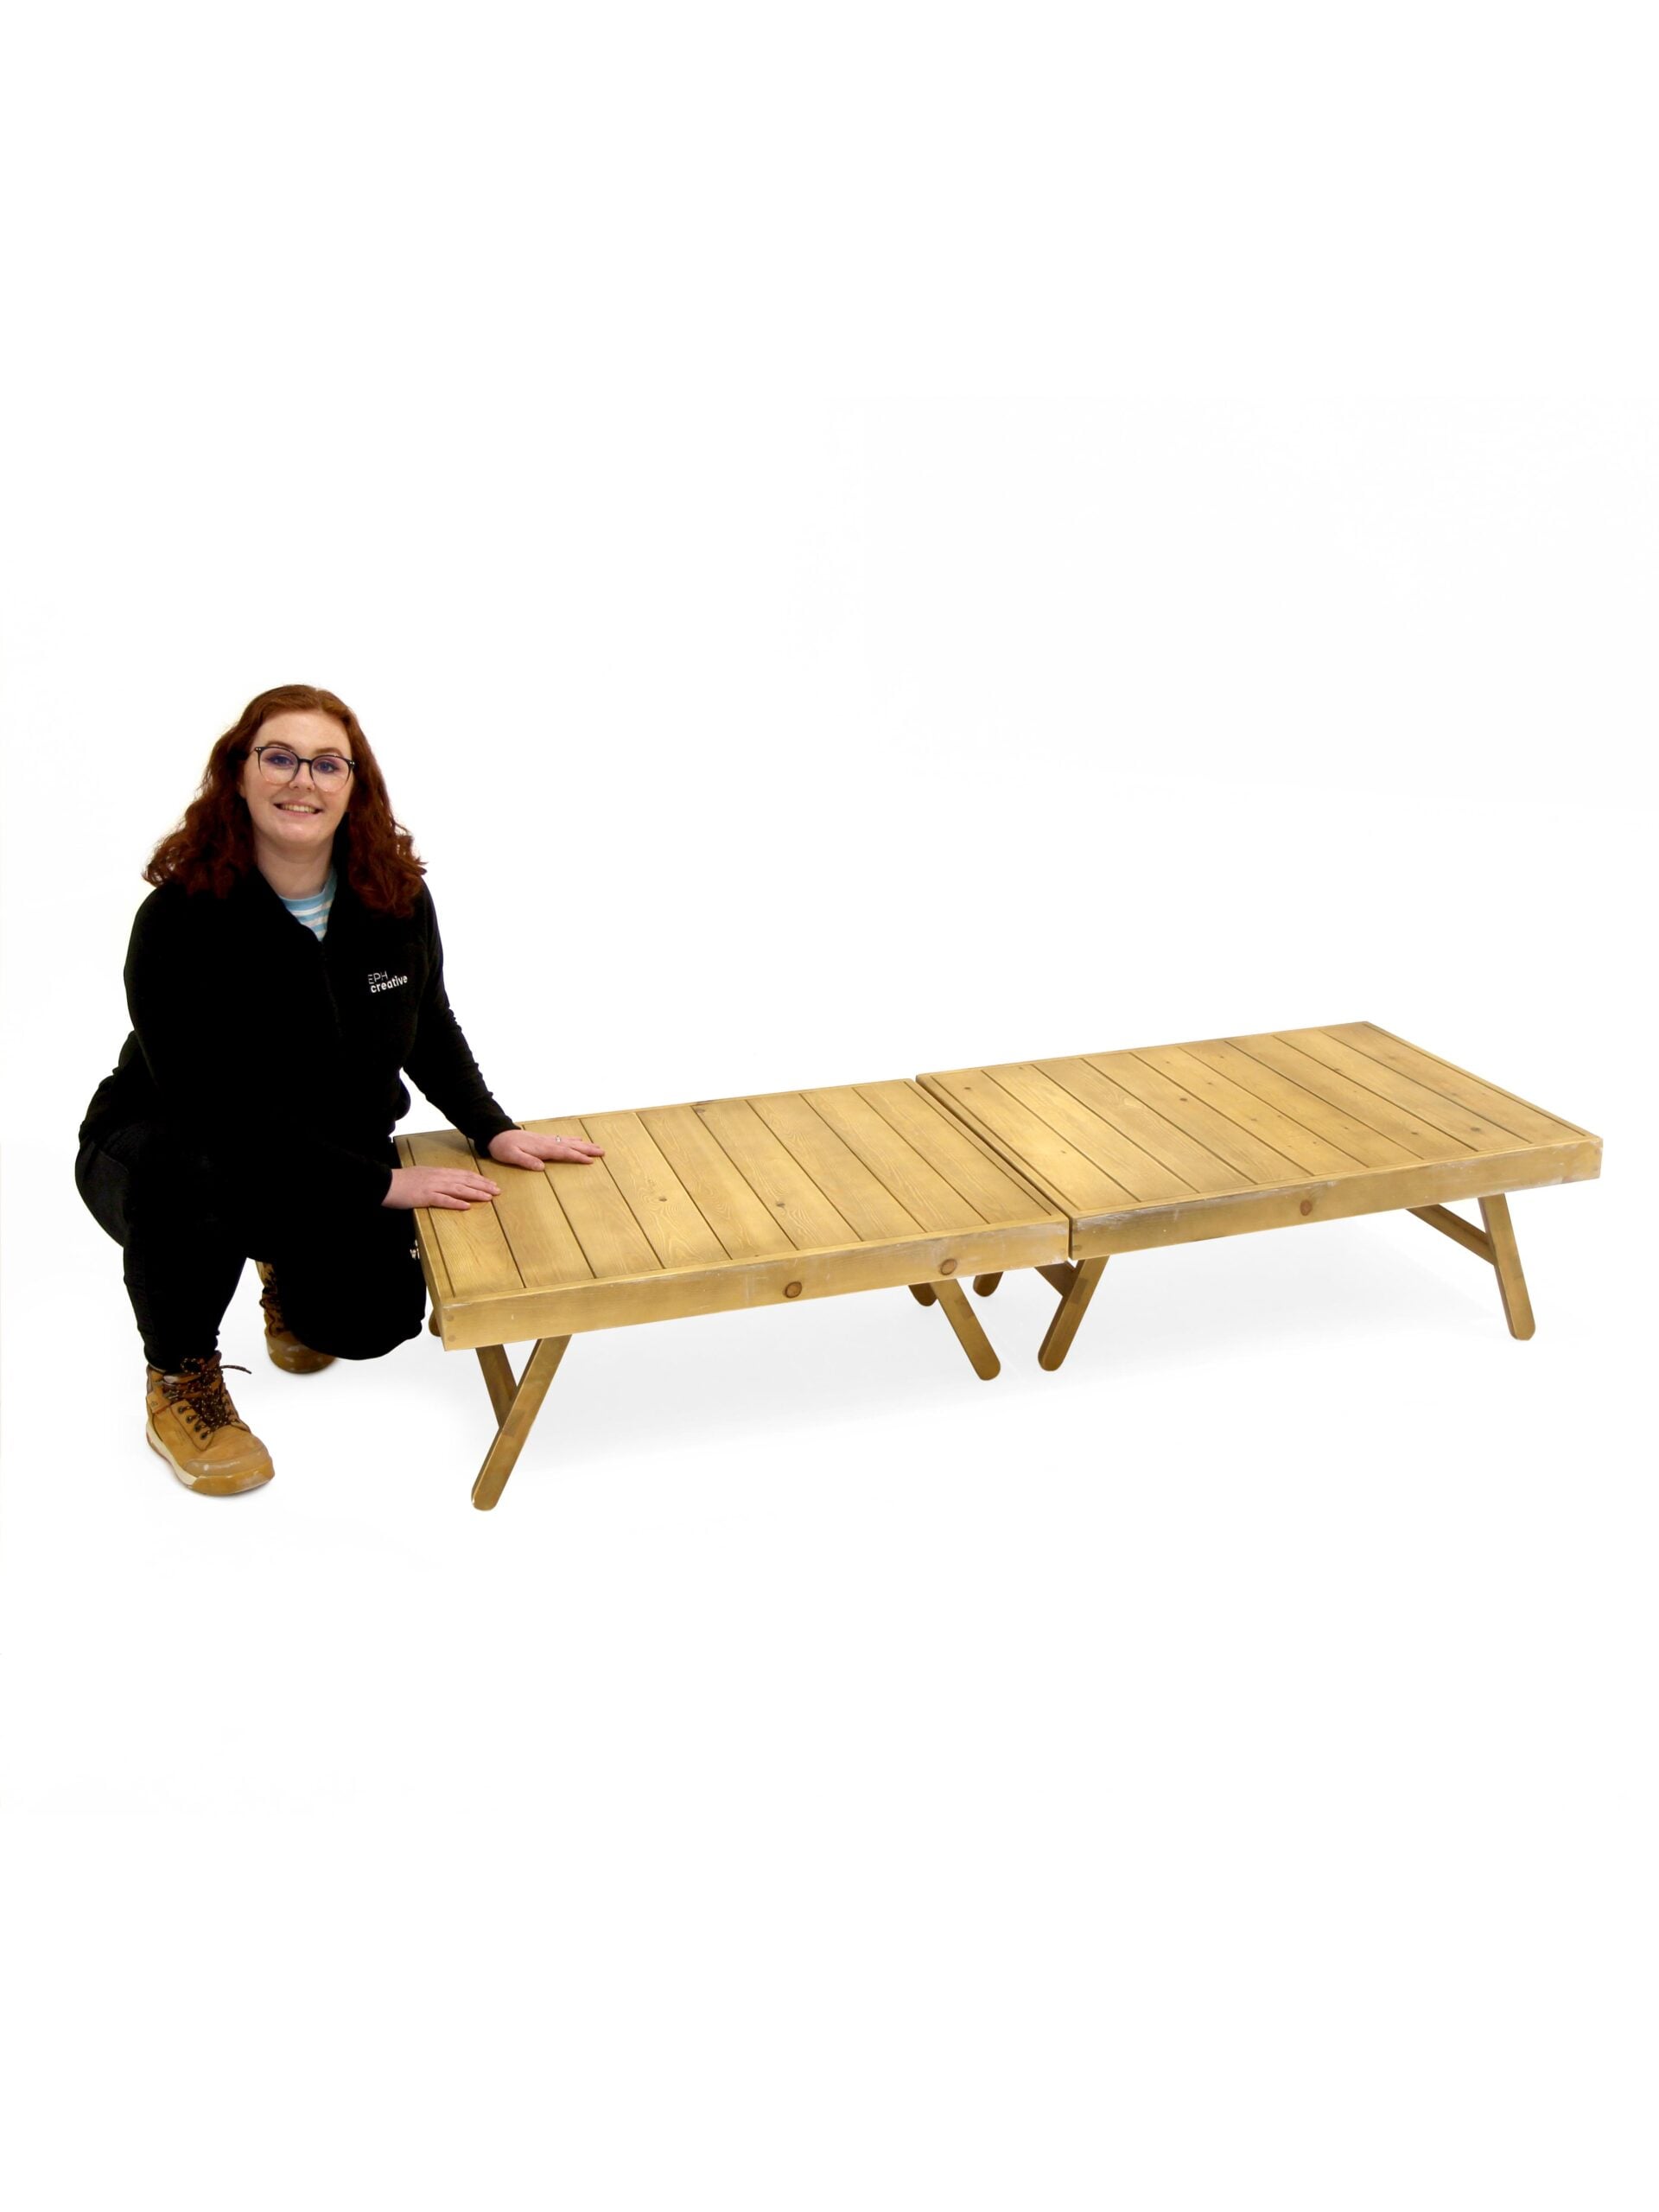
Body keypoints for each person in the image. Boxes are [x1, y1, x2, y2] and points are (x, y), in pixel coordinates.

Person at [74, 683, 604, 1498]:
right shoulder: (179, 918)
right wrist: (379, 1186)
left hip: (322, 1148)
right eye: (279, 758)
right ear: (239, 774)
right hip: (170, 1149)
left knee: (368, 1320)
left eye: (328, 764)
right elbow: (211, 1109)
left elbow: (428, 1022)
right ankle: (179, 1377)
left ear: (356, 785)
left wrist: (492, 1128)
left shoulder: (393, 896)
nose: (303, 781)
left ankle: (279, 1263)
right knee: (193, 1175)